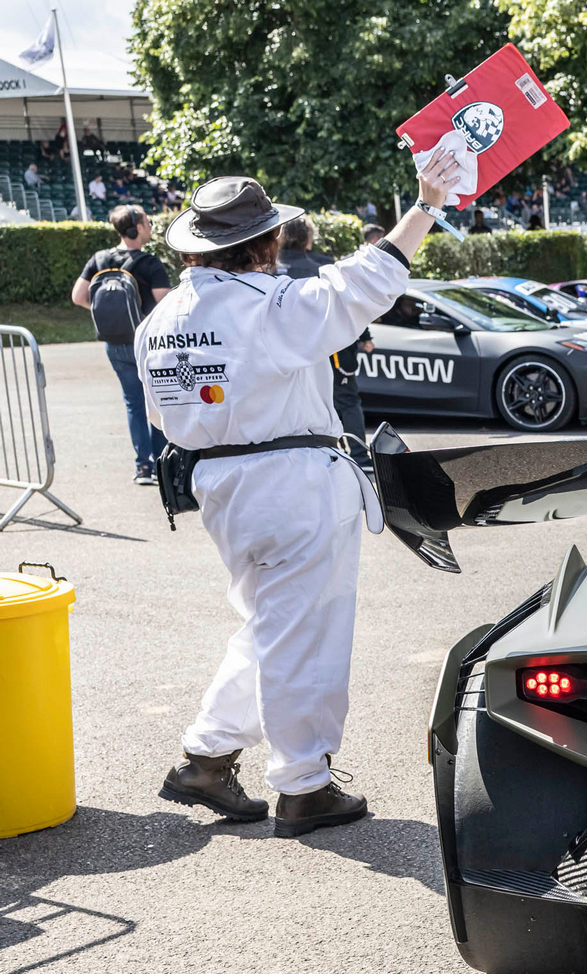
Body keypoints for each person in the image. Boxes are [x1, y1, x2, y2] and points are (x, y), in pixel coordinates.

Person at [145, 151, 460, 834]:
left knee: (271, 625)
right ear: (262, 246)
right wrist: (426, 204)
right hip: (291, 479)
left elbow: (163, 417)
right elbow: (364, 283)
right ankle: (302, 783)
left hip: (218, 482)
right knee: (305, 634)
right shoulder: (272, 305)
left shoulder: (159, 323)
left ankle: (207, 754)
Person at [71, 204, 172, 483]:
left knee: (133, 403)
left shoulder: (100, 259)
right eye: (147, 222)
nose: (150, 226)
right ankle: (163, 463)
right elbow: (164, 301)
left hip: (114, 341)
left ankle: (142, 466)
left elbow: (78, 297)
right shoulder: (149, 263)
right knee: (158, 402)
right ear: (137, 227)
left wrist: (109, 315)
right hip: (146, 343)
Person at [276, 215, 374, 469]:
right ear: (308, 239)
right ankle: (359, 457)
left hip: (283, 350)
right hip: (331, 350)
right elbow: (347, 306)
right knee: (347, 401)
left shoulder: (266, 270)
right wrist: (364, 337)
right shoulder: (321, 267)